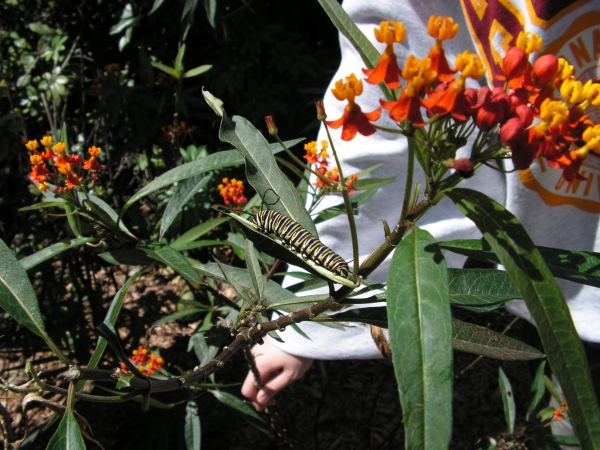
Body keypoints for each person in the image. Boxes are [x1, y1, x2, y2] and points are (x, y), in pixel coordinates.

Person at [242, 0, 600, 411]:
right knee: (575, 385)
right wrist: (316, 316)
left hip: (564, 256)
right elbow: (374, 149)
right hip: (563, 271)